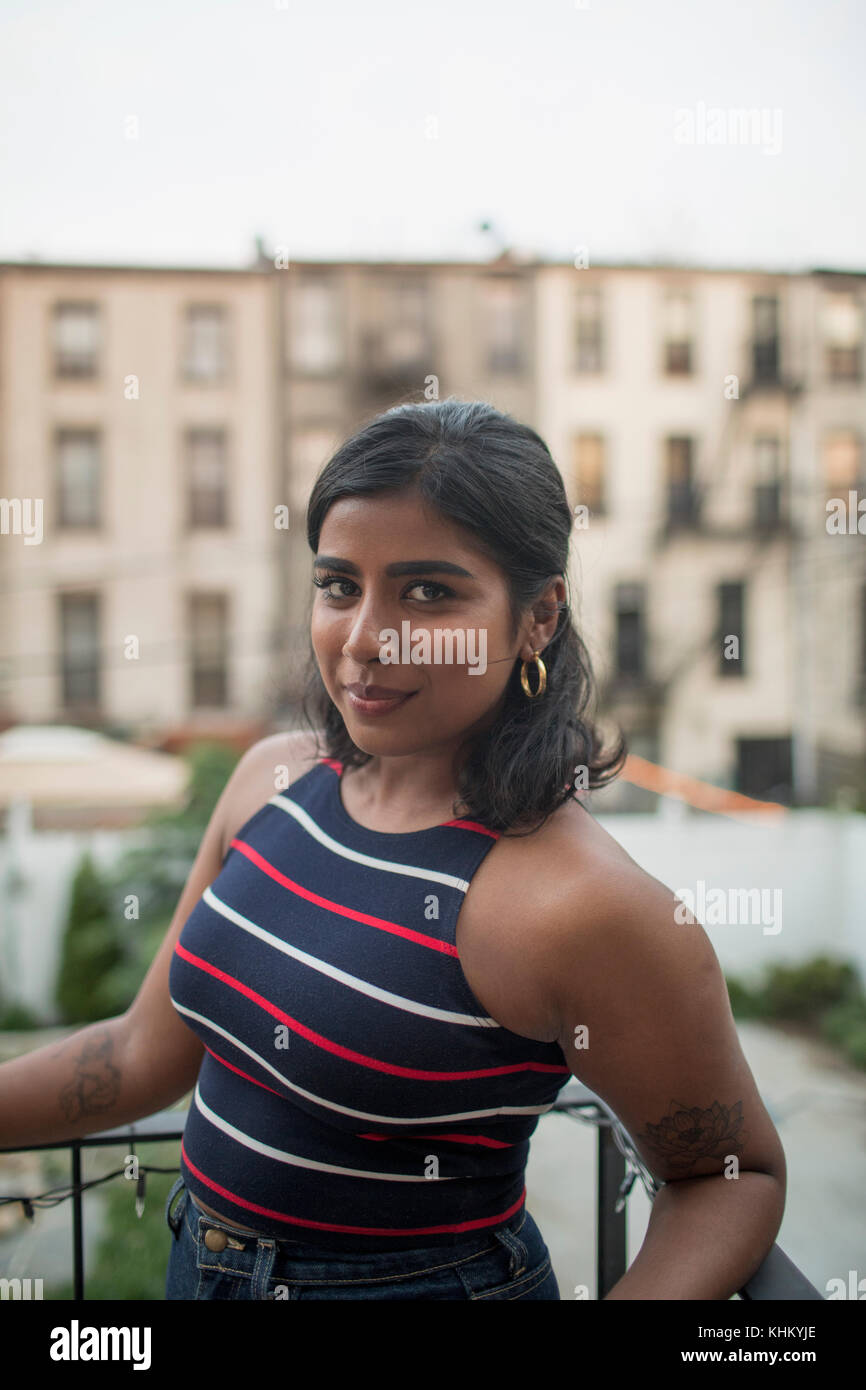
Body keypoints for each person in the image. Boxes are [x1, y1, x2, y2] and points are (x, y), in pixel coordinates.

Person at [0, 397, 786, 1300]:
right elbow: (142, 1055)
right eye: (339, 585)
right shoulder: (271, 782)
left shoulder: (579, 904)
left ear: (536, 617)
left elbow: (729, 1180)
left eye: (428, 591)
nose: (367, 639)